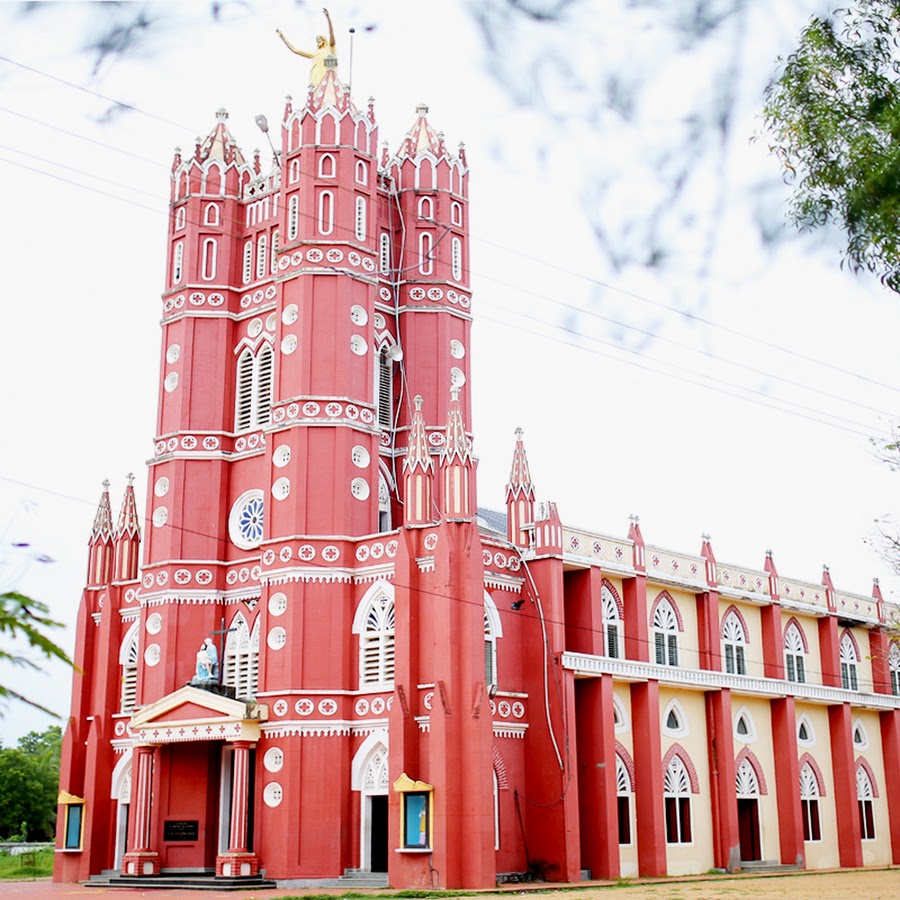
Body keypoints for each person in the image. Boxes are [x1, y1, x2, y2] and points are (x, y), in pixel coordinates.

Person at [276, 8, 337, 86]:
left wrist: (328, 17)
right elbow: (295, 50)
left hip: (327, 81)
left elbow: (331, 34)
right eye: (317, 40)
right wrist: (282, 36)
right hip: (315, 81)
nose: (318, 41)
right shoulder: (315, 53)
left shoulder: (330, 48)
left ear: (324, 40)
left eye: (320, 39)